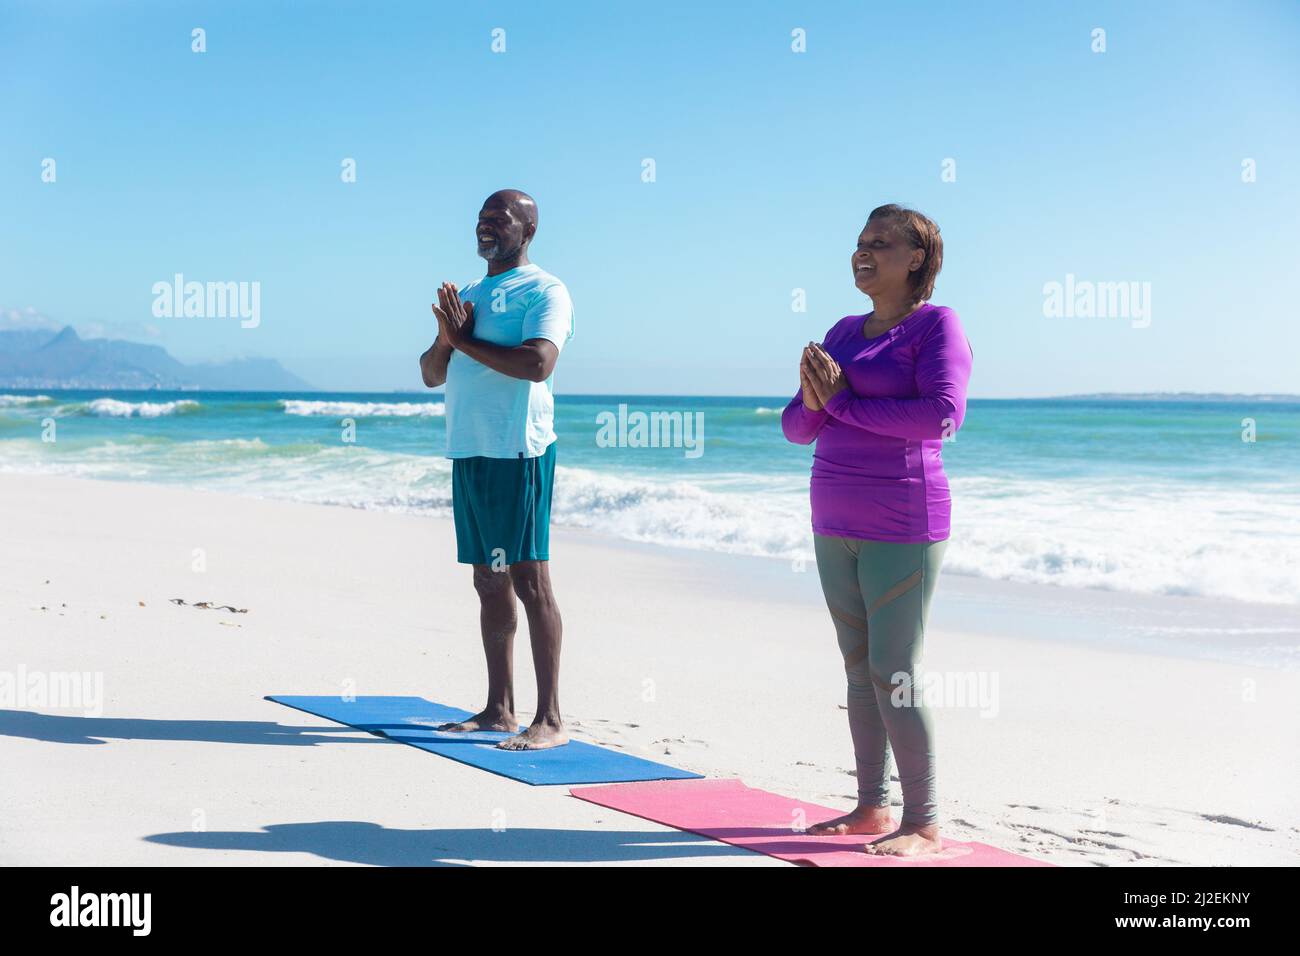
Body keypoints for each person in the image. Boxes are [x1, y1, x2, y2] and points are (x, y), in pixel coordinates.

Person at [782, 203, 973, 855]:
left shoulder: (936, 327)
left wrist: (839, 402)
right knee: (859, 667)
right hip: (834, 514)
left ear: (915, 258)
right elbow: (796, 428)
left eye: (879, 243)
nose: (862, 253)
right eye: (858, 242)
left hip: (904, 519)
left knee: (896, 668)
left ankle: (922, 821)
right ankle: (870, 807)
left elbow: (941, 417)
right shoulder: (841, 332)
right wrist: (817, 403)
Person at [418, 188, 575, 751]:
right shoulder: (467, 295)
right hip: (469, 451)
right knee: (489, 581)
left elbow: (537, 363)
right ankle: (498, 709)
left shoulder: (545, 290)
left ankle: (550, 718)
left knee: (531, 582)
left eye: (499, 219)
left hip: (519, 451)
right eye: (481, 217)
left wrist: (465, 337)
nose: (486, 226)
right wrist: (446, 339)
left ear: (527, 230)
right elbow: (432, 374)